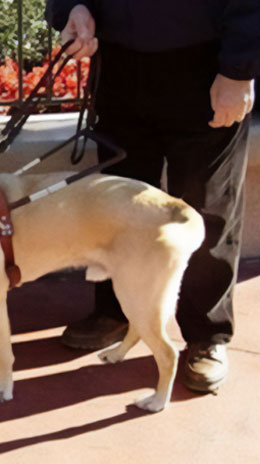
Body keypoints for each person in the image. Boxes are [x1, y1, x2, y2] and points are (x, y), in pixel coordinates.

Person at [45, 1, 259, 393]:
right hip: (118, 64)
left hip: (205, 61)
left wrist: (239, 69)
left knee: (205, 206)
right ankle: (116, 311)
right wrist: (73, 8)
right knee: (116, 203)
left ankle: (207, 335)